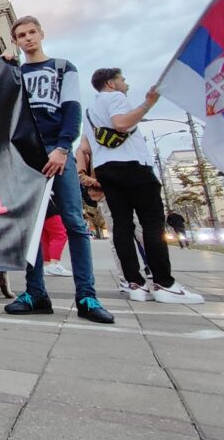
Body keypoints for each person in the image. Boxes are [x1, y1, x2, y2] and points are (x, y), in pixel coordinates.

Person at [2, 16, 114, 324]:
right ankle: (35, 292)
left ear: (41, 34)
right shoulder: (15, 72)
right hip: (27, 154)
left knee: (75, 223)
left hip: (58, 151)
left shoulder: (63, 68)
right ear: (15, 40)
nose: (27, 39)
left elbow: (72, 109)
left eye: (31, 32)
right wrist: (2, 64)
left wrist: (64, 148)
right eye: (21, 35)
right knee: (31, 226)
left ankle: (87, 296)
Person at [81, 68, 203, 304]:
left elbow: (87, 146)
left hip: (107, 168)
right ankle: (164, 284)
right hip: (133, 166)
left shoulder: (89, 110)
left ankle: (134, 283)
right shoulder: (116, 98)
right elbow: (121, 124)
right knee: (152, 223)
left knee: (122, 226)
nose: (126, 83)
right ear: (110, 83)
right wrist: (147, 104)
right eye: (122, 79)